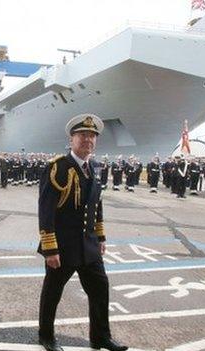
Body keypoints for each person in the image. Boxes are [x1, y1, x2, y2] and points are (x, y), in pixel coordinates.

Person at [37, 114, 128, 351]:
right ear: (72, 139)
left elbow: (96, 205)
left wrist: (100, 237)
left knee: (100, 289)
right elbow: (45, 211)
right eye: (83, 135)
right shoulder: (58, 168)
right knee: (53, 292)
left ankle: (100, 337)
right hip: (62, 246)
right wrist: (50, 249)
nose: (88, 140)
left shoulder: (96, 167)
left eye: (92, 136)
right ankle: (46, 336)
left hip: (88, 245)